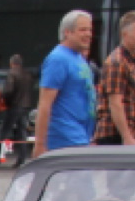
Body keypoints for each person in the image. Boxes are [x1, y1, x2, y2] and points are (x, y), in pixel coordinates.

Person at [33, 10, 96, 158]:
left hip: (81, 136)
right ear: (67, 32)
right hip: (64, 139)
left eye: (90, 30)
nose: (89, 34)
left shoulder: (78, 58)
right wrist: (40, 145)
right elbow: (44, 103)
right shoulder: (58, 59)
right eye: (83, 30)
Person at [93, 11, 135, 145]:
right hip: (114, 136)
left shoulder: (131, 60)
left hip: (124, 134)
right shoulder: (117, 62)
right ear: (124, 34)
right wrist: (126, 136)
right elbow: (115, 103)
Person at [0, 54, 34, 164]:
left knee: (4, 132)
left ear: (11, 63)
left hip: (14, 106)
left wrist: (3, 98)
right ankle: (21, 158)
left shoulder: (12, 73)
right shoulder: (27, 74)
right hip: (26, 106)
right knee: (22, 133)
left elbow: (8, 91)